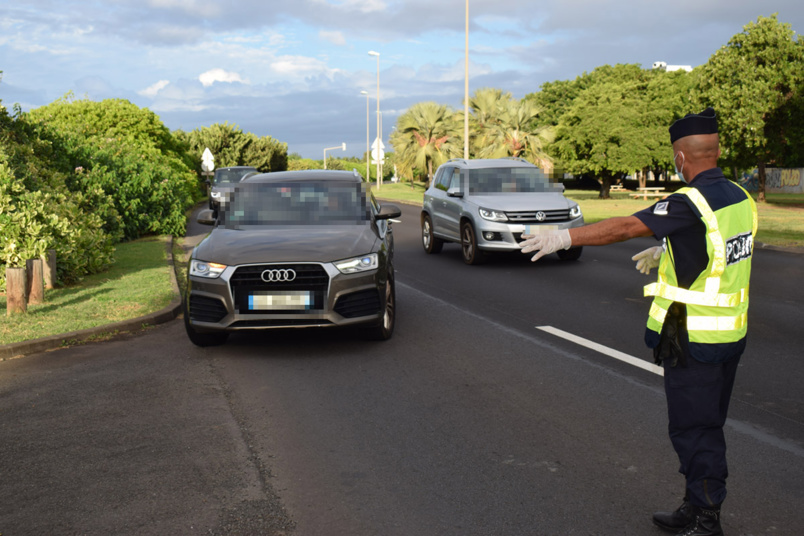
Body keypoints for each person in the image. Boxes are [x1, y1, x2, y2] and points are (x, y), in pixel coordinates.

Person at [519, 108, 757, 536]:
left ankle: (706, 517)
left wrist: (564, 236)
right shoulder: (740, 196)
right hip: (730, 335)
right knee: (707, 423)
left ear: (681, 157)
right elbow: (718, 252)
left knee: (695, 429)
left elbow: (627, 225)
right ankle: (694, 503)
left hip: (695, 340)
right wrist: (670, 251)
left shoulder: (690, 200)